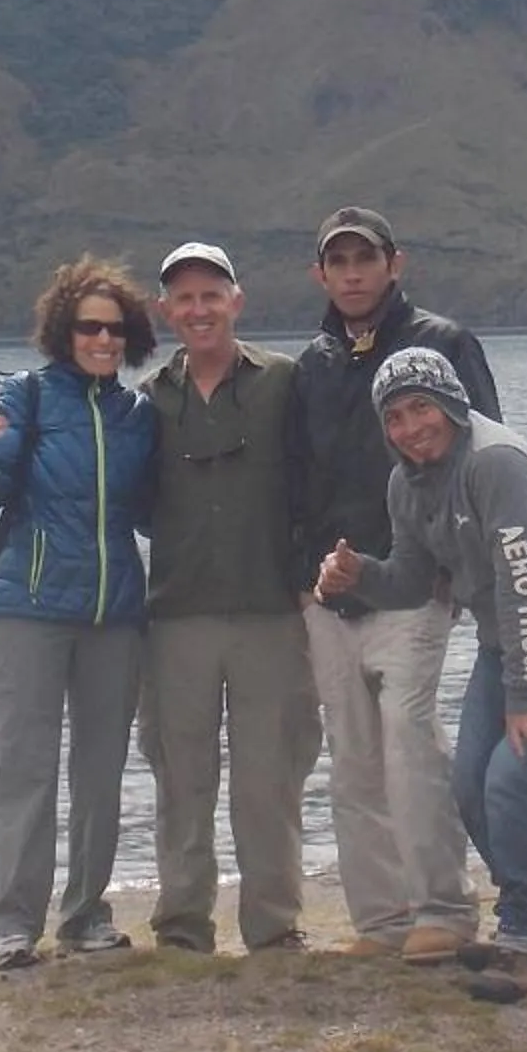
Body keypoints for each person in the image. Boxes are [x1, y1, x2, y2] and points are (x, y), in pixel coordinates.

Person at [316, 346, 527, 1005]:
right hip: (507, 642)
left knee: (514, 778)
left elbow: (525, 584)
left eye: (422, 408)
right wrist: (358, 576)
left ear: (454, 406)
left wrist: (525, 698)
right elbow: (410, 577)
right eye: (394, 416)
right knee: (469, 785)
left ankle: (525, 938)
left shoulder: (495, 466)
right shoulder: (406, 481)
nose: (409, 427)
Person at [291, 206, 501, 964]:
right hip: (326, 593)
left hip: (414, 586)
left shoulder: (443, 345)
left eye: (365, 259)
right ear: (320, 274)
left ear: (394, 264)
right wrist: (303, 578)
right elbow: (299, 478)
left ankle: (444, 908)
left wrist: (452, 569)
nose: (352, 273)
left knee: (409, 740)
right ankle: (380, 921)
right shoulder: (311, 364)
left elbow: (482, 459)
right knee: (351, 757)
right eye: (337, 261)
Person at [0, 258, 160, 974]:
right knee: (26, 770)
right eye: (89, 327)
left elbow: (152, 511)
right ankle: (14, 925)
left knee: (102, 771)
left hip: (115, 614)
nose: (103, 339)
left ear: (131, 335)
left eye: (115, 328)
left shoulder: (139, 417)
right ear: (63, 331)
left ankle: (86, 917)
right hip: (29, 608)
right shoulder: (28, 397)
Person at [139, 240, 319, 954]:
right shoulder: (146, 401)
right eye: (183, 298)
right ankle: (183, 924)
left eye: (211, 295)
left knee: (269, 781)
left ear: (236, 302)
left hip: (272, 612)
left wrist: (316, 574)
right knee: (181, 779)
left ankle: (273, 925)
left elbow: (318, 480)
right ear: (165, 312)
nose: (198, 309)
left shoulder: (286, 383)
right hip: (175, 615)